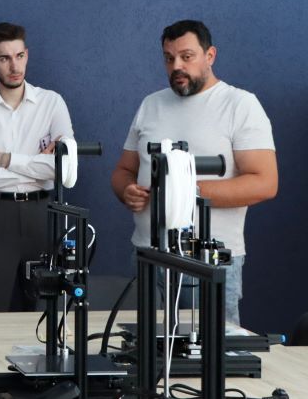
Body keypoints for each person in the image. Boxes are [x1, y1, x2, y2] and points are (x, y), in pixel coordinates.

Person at [110, 19, 278, 325]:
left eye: (186, 56)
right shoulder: (151, 104)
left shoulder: (240, 105)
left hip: (208, 260)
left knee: (211, 349)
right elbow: (123, 170)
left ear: (210, 55)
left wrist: (183, 191)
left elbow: (264, 183)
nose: (177, 66)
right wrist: (126, 190)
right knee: (143, 348)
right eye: (169, 58)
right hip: (148, 255)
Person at [0, 22, 75, 312]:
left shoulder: (51, 103)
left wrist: (5, 159)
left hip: (42, 214)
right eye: (4, 58)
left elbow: (65, 170)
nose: (14, 66)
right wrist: (38, 165)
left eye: (19, 56)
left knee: (44, 312)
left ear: (27, 55)